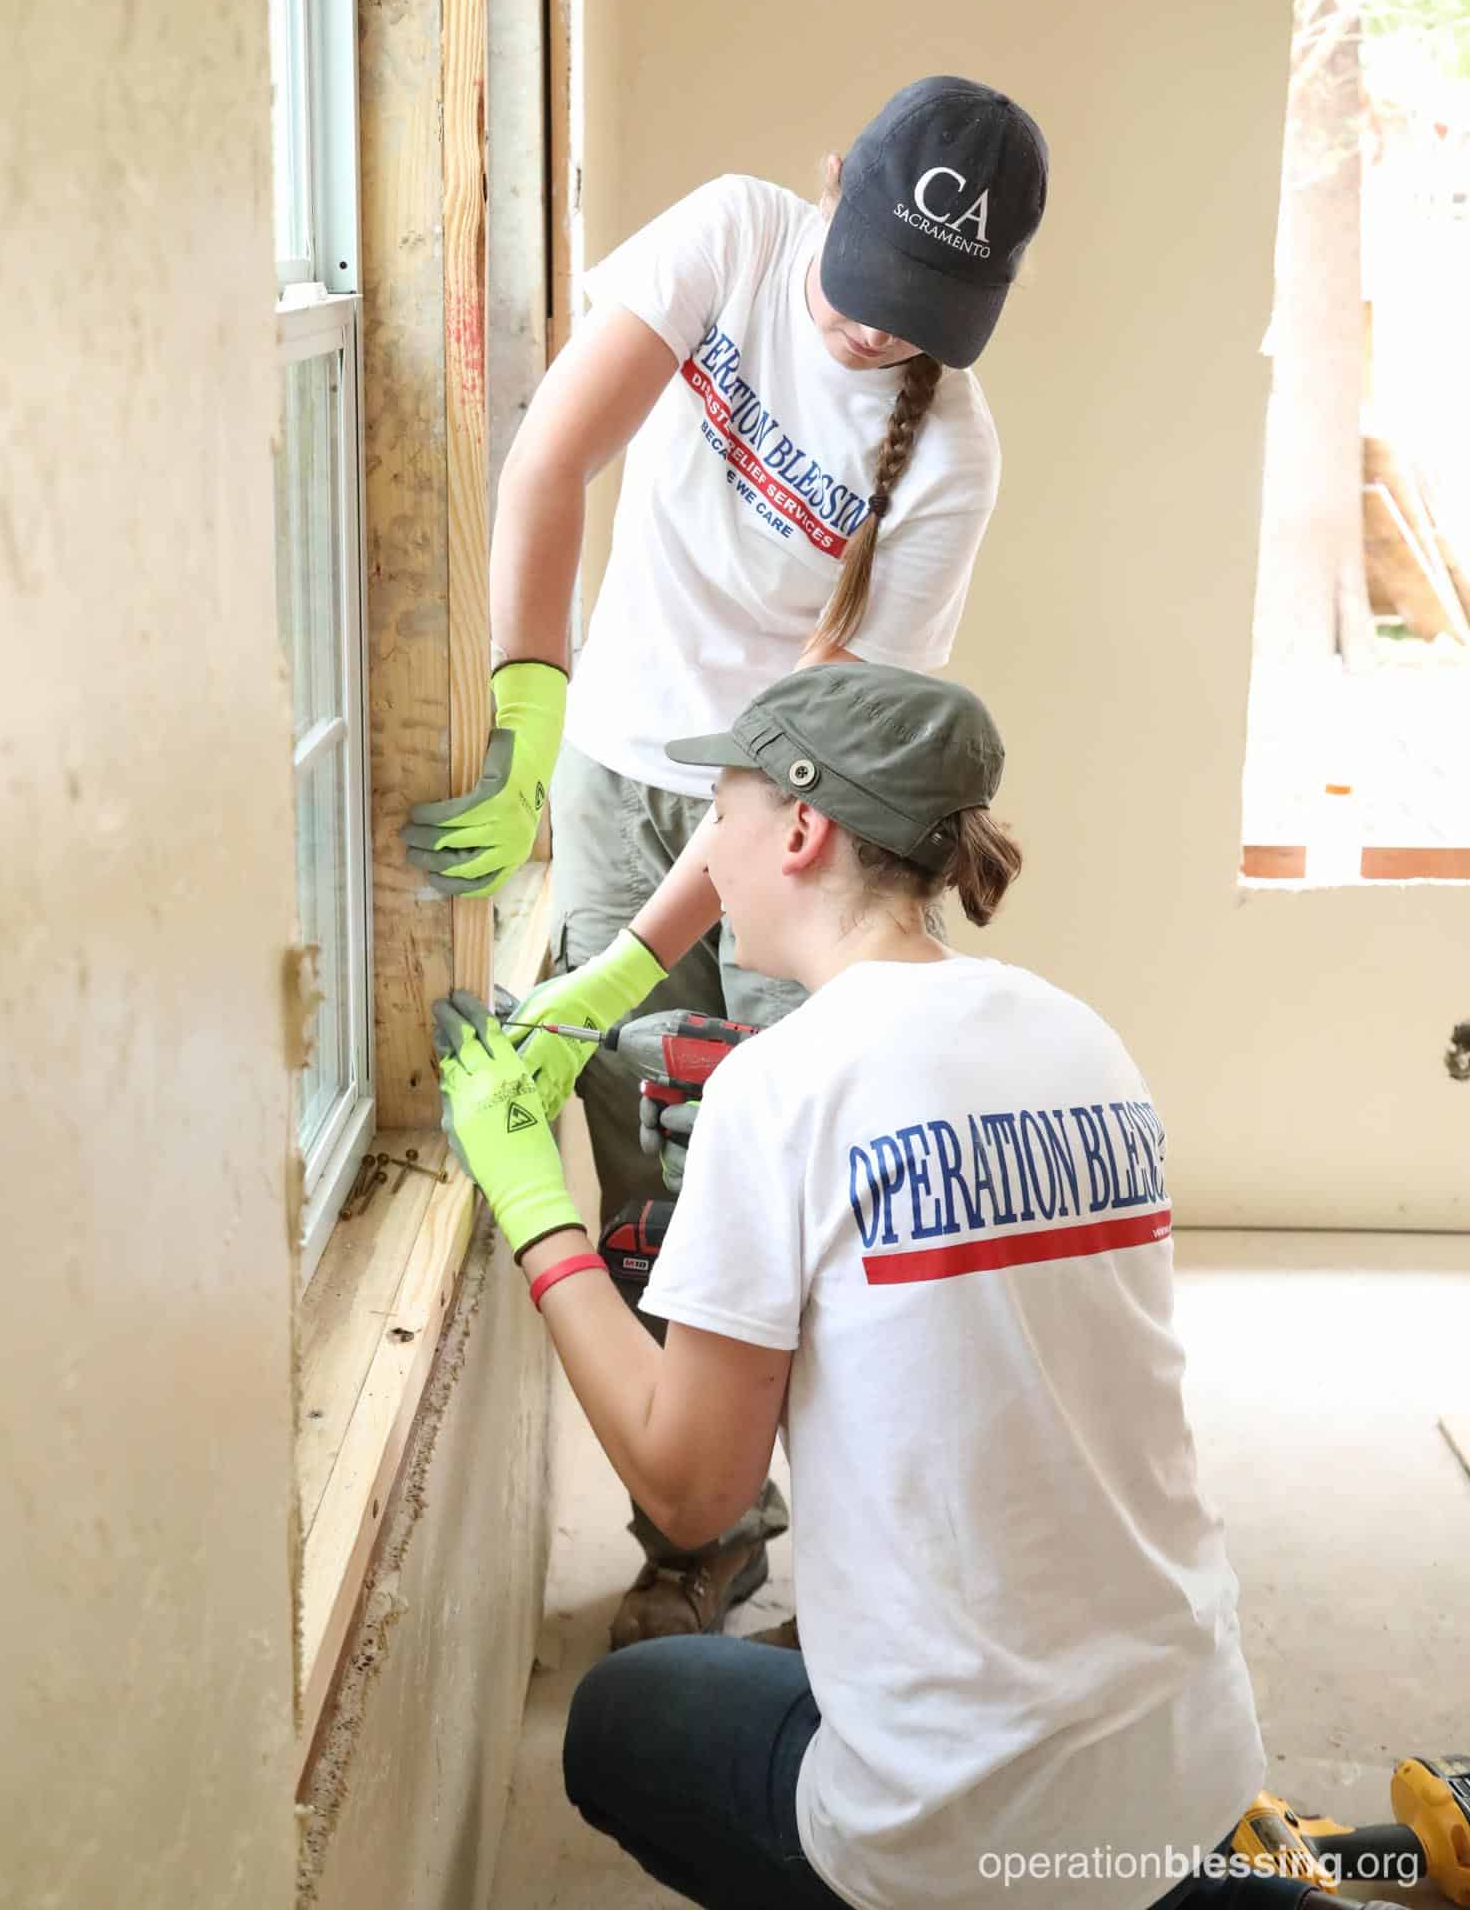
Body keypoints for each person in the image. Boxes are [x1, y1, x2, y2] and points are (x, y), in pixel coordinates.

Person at [432, 661, 1270, 1910]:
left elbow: (691, 1485)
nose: (707, 849)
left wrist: (532, 1203)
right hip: (1196, 1755)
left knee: (620, 1719)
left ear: (803, 827)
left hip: (956, 1848)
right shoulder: (1080, 1035)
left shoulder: (781, 1088)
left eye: (720, 813)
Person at [408, 75, 1050, 1643]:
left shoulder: (950, 461)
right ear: (832, 186)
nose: (873, 335)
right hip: (624, 772)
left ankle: (870, 1547)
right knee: (645, 1158)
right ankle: (701, 1535)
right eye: (866, 286)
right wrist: (529, 718)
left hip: (792, 819)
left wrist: (628, 960)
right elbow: (550, 463)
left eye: (920, 317)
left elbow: (821, 739)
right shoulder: (734, 240)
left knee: (782, 1162)